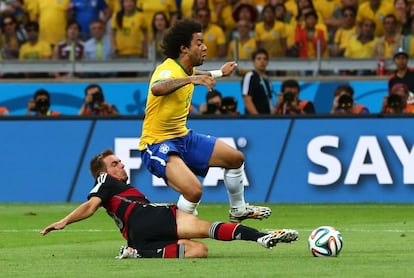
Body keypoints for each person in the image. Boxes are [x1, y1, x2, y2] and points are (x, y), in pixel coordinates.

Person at [40, 149, 299, 258]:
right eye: (115, 163)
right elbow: (91, 205)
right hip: (147, 220)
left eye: (119, 162)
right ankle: (261, 237)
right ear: (103, 172)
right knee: (204, 224)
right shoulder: (105, 180)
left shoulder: (122, 189)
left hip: (140, 236)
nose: (121, 165)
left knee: (199, 251)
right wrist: (65, 221)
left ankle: (139, 254)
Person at [138, 19, 271, 222]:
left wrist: (220, 73)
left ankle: (238, 209)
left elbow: (197, 73)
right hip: (157, 143)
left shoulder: (187, 70)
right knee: (194, 191)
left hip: (182, 137)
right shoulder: (168, 69)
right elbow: (158, 87)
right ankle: (176, 229)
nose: (204, 47)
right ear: (184, 48)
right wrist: (192, 80)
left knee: (235, 159)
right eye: (199, 43)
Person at [241, 48, 275, 114]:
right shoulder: (250, 76)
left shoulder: (267, 79)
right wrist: (257, 118)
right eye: (259, 59)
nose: (262, 61)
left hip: (267, 118)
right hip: (254, 120)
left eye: (265, 59)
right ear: (253, 62)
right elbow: (247, 100)